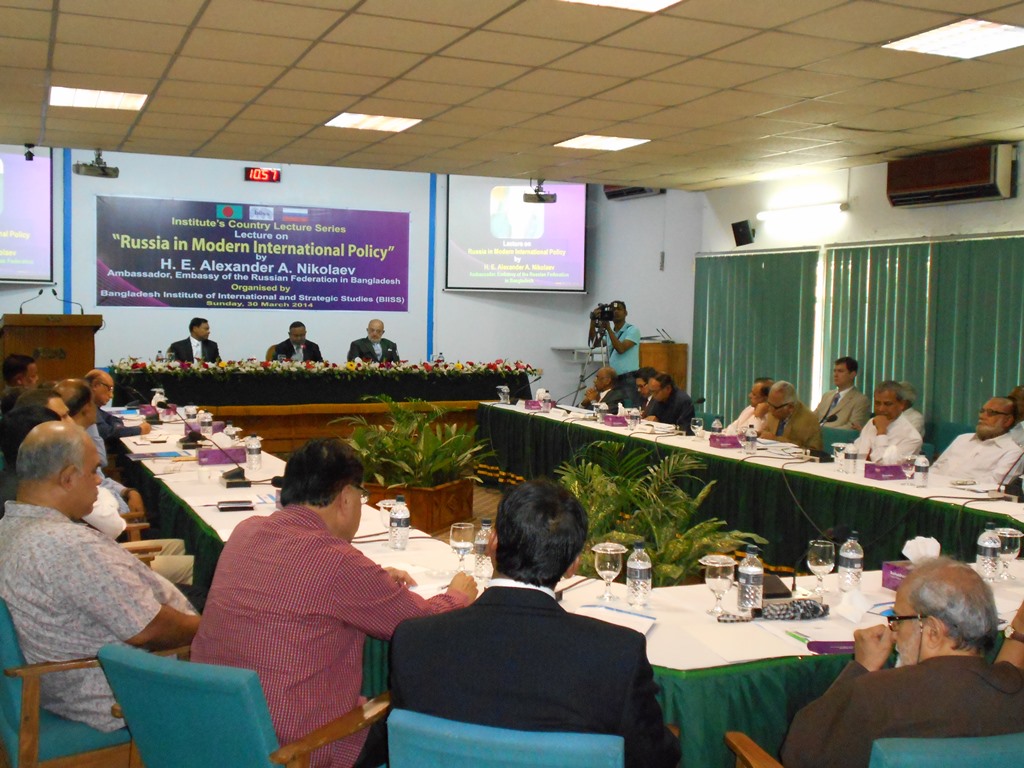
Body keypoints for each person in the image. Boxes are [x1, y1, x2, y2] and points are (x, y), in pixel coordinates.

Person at [191, 438, 476, 768]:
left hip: (213, 733)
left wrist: (372, 581)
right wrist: (457, 596)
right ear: (346, 497)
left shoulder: (246, 531)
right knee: (419, 709)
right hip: (296, 751)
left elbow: (300, 585)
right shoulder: (338, 562)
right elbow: (420, 624)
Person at [385, 480, 680, 768]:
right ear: (573, 564)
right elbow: (656, 757)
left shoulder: (413, 640)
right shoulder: (618, 655)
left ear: (492, 542)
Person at [0, 422, 198, 732]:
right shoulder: (68, 546)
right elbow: (149, 630)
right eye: (93, 471)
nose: (97, 481)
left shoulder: (8, 527)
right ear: (67, 477)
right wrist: (214, 629)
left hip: (65, 686)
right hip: (120, 696)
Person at [781, 557, 1024, 768]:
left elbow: (799, 755)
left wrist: (860, 669)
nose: (894, 633)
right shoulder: (1015, 688)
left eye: (898, 619)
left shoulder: (876, 695)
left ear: (932, 632)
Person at [932, 397, 1022, 485]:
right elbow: (937, 466)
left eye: (991, 412)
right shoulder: (962, 438)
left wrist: (951, 485)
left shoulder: (1014, 450)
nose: (982, 416)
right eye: (982, 411)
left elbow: (995, 483)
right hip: (933, 488)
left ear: (1007, 421)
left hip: (964, 492)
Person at [850, 381, 922, 464]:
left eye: (887, 404)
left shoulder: (912, 438)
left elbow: (883, 464)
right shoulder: (872, 422)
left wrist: (881, 432)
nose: (881, 409)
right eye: (877, 403)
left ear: (902, 404)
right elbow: (856, 452)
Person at [86, 368, 151, 443]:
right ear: (95, 385)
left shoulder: (94, 407)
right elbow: (108, 433)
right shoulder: (86, 407)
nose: (111, 396)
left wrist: (117, 428)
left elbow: (114, 419)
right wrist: (140, 429)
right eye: (109, 389)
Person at [761, 380, 823, 451]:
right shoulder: (774, 409)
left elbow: (814, 451)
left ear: (790, 407)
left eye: (774, 407)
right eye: (769, 404)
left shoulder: (809, 420)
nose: (770, 409)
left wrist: (777, 440)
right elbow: (766, 433)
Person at [813, 357, 871, 430]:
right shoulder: (827, 395)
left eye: (840, 371)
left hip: (834, 435)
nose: (835, 375)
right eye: (835, 371)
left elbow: (853, 427)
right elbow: (813, 417)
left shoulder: (861, 400)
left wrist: (822, 430)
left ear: (852, 374)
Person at [587, 300, 640, 379]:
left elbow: (621, 349)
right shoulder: (610, 333)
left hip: (629, 376)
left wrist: (608, 329)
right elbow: (595, 343)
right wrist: (593, 321)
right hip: (614, 376)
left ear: (625, 313)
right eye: (613, 310)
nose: (616, 312)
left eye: (619, 309)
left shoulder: (632, 330)